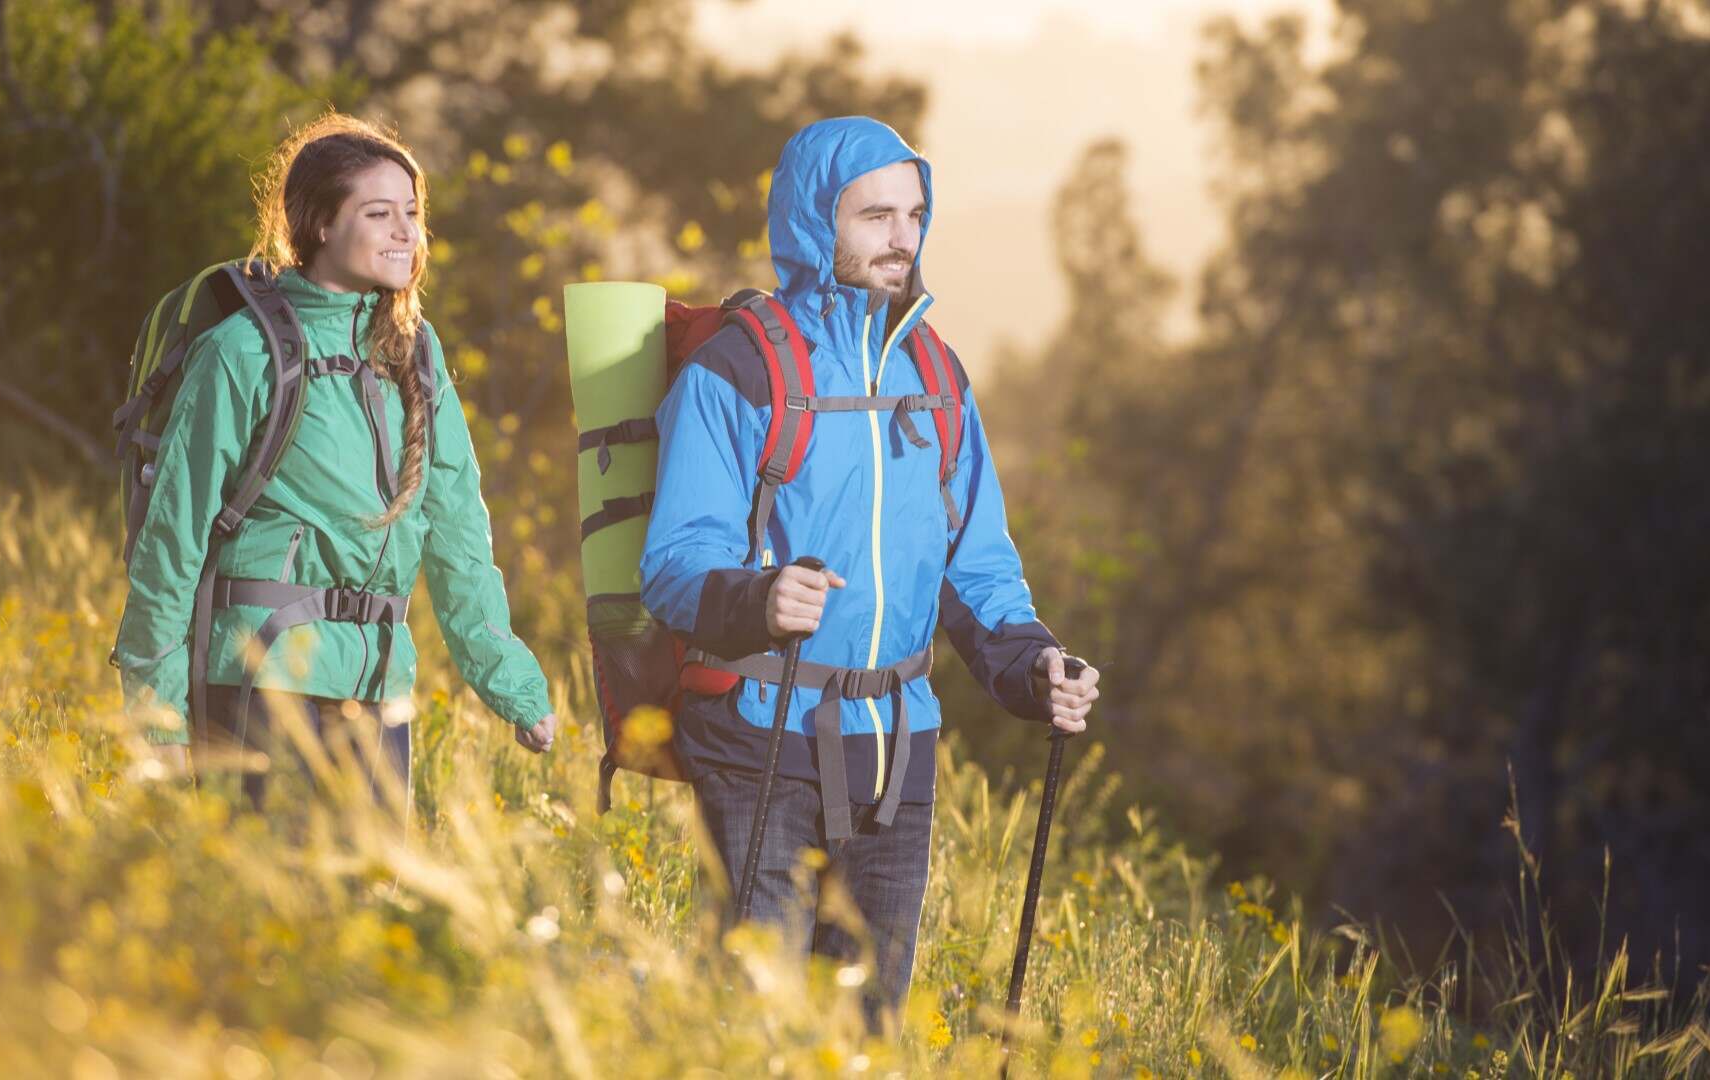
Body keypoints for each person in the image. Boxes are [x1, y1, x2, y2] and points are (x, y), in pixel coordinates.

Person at [639, 116, 1101, 1024]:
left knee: (870, 1029)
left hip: (899, 748)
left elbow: (977, 567)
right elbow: (675, 563)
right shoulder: (737, 371)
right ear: (817, 221)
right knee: (754, 1025)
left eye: (914, 214)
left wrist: (1033, 665)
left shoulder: (936, 374)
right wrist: (761, 598)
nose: (903, 237)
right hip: (758, 738)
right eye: (875, 215)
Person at [115, 114, 557, 813]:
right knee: (269, 885)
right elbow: (174, 535)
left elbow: (457, 530)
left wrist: (511, 682)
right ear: (320, 223)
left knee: (374, 885)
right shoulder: (241, 351)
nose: (405, 232)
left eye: (412, 213)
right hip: (261, 680)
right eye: (378, 214)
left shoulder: (416, 354)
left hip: (379, 690)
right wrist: (156, 712)